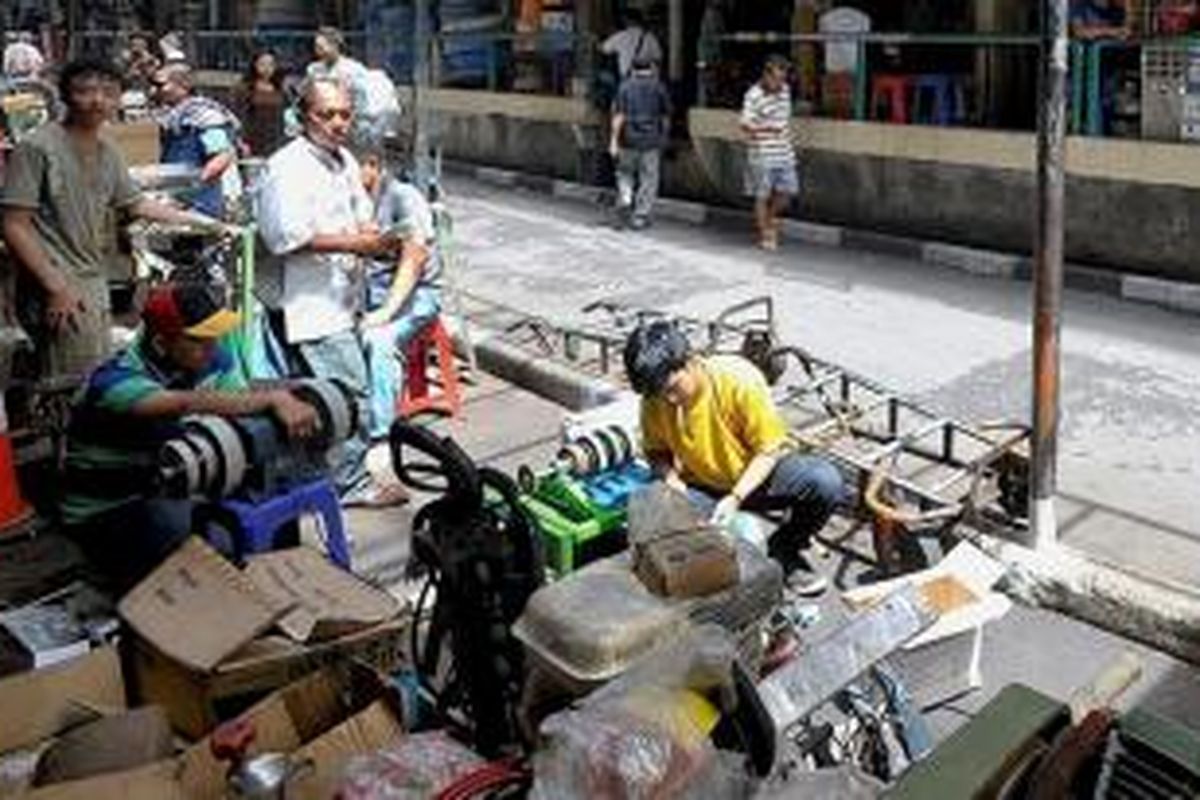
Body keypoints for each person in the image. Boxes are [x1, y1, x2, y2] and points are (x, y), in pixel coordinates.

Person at [59, 282, 320, 592]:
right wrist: (274, 398)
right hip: (108, 509)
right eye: (199, 340)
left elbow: (234, 406)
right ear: (160, 343)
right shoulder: (113, 381)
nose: (213, 346)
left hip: (171, 486)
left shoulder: (210, 358)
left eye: (215, 335)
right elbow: (182, 403)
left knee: (275, 516)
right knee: (212, 554)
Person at [2, 59, 232, 379]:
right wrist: (54, 286)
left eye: (108, 92)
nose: (97, 100)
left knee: (93, 376)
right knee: (67, 384)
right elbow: (14, 223)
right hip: (55, 282)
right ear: (66, 96)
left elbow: (134, 203)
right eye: (85, 91)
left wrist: (203, 222)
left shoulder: (107, 148)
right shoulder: (37, 147)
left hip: (92, 282)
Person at [257, 76, 408, 507]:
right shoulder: (287, 166)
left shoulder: (342, 158)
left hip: (344, 299)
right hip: (312, 305)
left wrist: (374, 238)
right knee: (349, 395)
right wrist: (356, 243)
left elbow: (357, 216)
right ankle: (350, 483)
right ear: (304, 116)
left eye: (345, 114)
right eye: (327, 114)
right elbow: (283, 237)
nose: (338, 123)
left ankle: (313, 472)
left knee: (327, 393)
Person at [623, 321, 843, 596]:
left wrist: (737, 497)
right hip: (703, 486)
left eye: (673, 388)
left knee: (825, 481)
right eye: (660, 394)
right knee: (658, 527)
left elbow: (768, 450)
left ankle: (785, 549)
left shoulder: (738, 380)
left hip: (759, 477)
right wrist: (671, 480)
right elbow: (656, 451)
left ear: (691, 362)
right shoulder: (655, 398)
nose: (669, 400)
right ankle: (712, 581)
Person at [358, 144, 441, 440]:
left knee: (378, 341)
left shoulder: (403, 197)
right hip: (369, 294)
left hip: (416, 296)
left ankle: (381, 434)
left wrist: (386, 312)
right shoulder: (353, 198)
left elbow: (414, 258)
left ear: (372, 164)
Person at [153, 63, 243, 219]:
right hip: (175, 203)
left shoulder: (206, 117)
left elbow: (221, 157)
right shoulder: (172, 118)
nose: (156, 90)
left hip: (201, 206)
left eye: (162, 84)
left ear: (182, 85)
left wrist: (193, 186)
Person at [740, 55, 798, 251]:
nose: (780, 83)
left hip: (784, 152)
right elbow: (745, 126)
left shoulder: (786, 91)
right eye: (777, 78)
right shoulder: (753, 95)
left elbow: (785, 118)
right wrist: (767, 131)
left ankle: (770, 219)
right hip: (762, 154)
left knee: (788, 192)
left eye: (783, 78)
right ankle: (765, 234)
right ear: (766, 75)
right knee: (762, 195)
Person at [609, 57, 671, 230]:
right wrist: (664, 138)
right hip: (651, 141)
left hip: (628, 139)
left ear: (633, 69)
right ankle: (640, 215)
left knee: (624, 173)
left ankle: (626, 197)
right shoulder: (659, 87)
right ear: (651, 68)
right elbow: (665, 117)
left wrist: (613, 140)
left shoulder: (625, 87)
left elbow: (619, 116)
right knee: (649, 178)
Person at [306, 27, 371, 147]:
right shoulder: (313, 69)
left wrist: (355, 125)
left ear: (335, 45)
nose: (318, 51)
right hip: (321, 126)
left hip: (347, 127)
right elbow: (309, 97)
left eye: (321, 46)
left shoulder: (354, 69)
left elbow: (362, 101)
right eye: (316, 47)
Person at [233, 49, 287, 157]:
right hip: (253, 140)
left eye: (271, 64)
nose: (267, 68)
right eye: (262, 64)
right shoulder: (245, 88)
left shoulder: (280, 88)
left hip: (276, 140)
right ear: (254, 65)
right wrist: (242, 141)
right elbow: (240, 116)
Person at [601, 9, 663, 79]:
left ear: (626, 21)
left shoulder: (622, 36)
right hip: (650, 79)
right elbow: (658, 57)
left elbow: (605, 49)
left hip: (629, 78)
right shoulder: (650, 37)